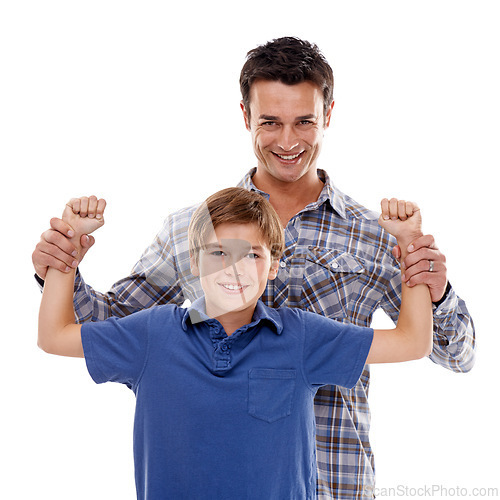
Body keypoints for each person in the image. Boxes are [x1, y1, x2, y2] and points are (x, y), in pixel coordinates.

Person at [32, 37, 475, 498]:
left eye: (304, 121)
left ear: (328, 116)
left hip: (336, 486)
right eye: (270, 122)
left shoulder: (375, 234)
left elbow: (453, 354)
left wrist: (434, 290)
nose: (288, 141)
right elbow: (108, 325)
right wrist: (61, 267)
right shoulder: (191, 228)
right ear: (246, 117)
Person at [38, 188, 432, 500]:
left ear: (274, 265)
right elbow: (54, 336)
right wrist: (67, 253)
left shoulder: (301, 337)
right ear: (194, 261)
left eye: (253, 255)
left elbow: (412, 342)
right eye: (218, 253)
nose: (234, 269)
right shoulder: (151, 335)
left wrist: (411, 244)